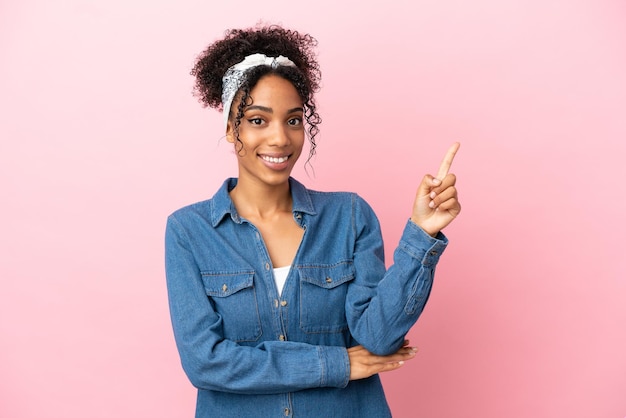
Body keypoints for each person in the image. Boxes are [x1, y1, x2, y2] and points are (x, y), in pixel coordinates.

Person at [165, 24, 460, 418]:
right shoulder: (189, 231)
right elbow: (205, 362)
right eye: (257, 120)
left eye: (292, 120)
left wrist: (422, 234)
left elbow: (379, 337)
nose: (280, 139)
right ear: (229, 129)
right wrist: (337, 364)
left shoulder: (349, 216)